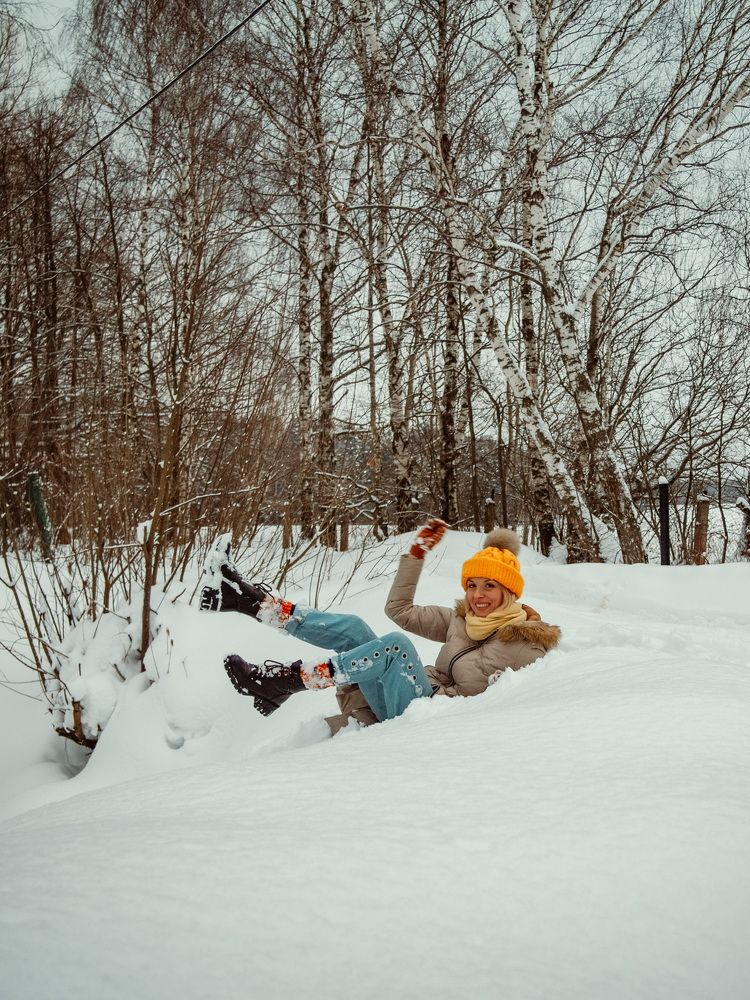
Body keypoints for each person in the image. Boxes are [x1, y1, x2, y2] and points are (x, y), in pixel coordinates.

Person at [200, 521, 561, 734]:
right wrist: (415, 558)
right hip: (410, 699)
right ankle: (252, 603)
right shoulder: (462, 620)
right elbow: (399, 610)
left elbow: (524, 704)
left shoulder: (526, 647)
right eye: (472, 585)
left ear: (509, 591)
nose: (478, 596)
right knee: (354, 629)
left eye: (490, 586)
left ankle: (285, 682)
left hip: (431, 719)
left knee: (395, 648)